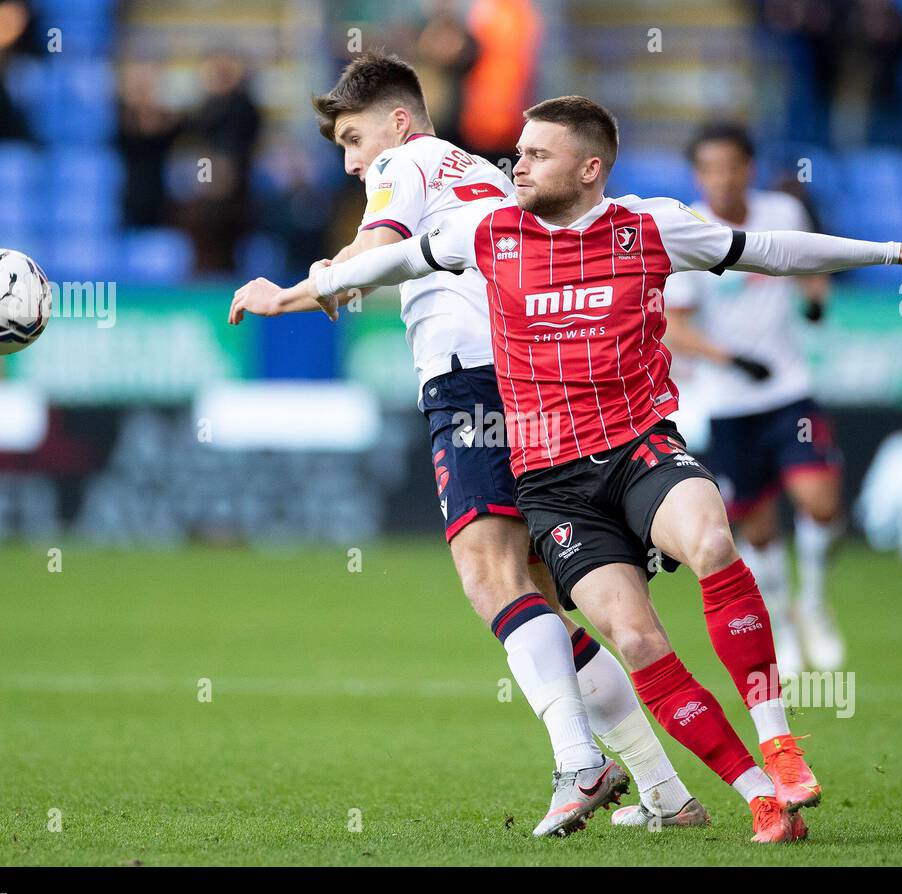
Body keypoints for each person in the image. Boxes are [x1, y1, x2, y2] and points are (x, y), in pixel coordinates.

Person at [231, 95, 902, 841]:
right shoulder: (487, 231)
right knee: (637, 637)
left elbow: (768, 250)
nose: (516, 163)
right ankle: (755, 797)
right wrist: (292, 293)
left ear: (589, 168)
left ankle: (777, 742)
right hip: (553, 483)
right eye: (517, 150)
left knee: (714, 542)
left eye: (536, 153)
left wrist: (892, 252)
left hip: (637, 447)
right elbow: (389, 260)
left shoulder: (646, 225)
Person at [240, 54, 705, 836]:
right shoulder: (487, 171)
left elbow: (380, 241)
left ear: (396, 120)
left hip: (471, 378)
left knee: (486, 574)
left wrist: (293, 289)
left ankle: (579, 764)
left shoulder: (405, 159)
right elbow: (398, 258)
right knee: (542, 593)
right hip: (530, 375)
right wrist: (339, 276)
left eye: (353, 139)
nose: (353, 162)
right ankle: (663, 790)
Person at [663, 123, 845, 675]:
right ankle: (783, 621)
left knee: (820, 502)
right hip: (728, 401)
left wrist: (816, 298)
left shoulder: (783, 215)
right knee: (759, 528)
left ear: (750, 168)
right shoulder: (690, 230)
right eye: (710, 168)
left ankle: (813, 600)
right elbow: (673, 324)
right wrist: (728, 359)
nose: (722, 177)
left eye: (732, 165)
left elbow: (811, 270)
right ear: (698, 175)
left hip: (788, 390)